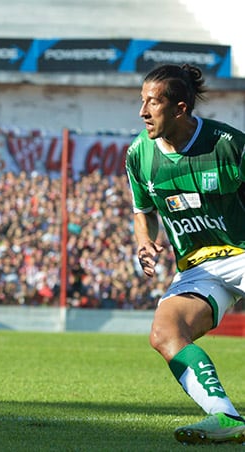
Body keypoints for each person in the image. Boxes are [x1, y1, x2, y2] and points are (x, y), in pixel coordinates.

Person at [127, 63, 245, 445]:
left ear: (180, 108)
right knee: (165, 333)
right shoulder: (139, 155)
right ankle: (226, 416)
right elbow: (142, 210)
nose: (143, 112)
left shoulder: (228, 144)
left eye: (153, 103)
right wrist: (144, 240)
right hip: (199, 267)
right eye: (141, 101)